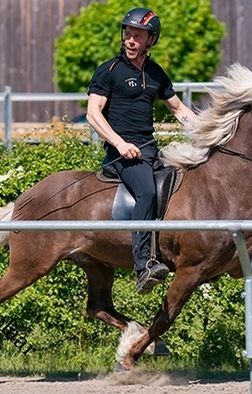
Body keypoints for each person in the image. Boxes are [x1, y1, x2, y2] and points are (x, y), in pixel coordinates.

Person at [86, 7, 196, 295]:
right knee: (147, 192)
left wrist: (206, 133)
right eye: (128, 34)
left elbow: (179, 109)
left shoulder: (156, 73)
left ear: (151, 40)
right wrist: (119, 143)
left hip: (149, 150)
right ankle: (144, 264)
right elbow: (93, 114)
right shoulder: (109, 71)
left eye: (138, 35)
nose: (131, 40)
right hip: (120, 154)